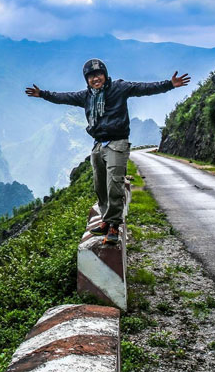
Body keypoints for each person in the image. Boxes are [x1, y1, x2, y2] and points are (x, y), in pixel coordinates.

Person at [25, 58, 190, 244]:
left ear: (105, 74)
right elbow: (63, 97)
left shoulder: (119, 88)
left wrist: (169, 84)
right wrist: (43, 94)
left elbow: (144, 88)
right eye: (91, 76)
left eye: (98, 74)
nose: (96, 79)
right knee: (100, 185)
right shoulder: (86, 96)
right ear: (86, 79)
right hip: (98, 145)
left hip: (117, 142)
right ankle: (105, 219)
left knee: (114, 183)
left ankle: (113, 225)